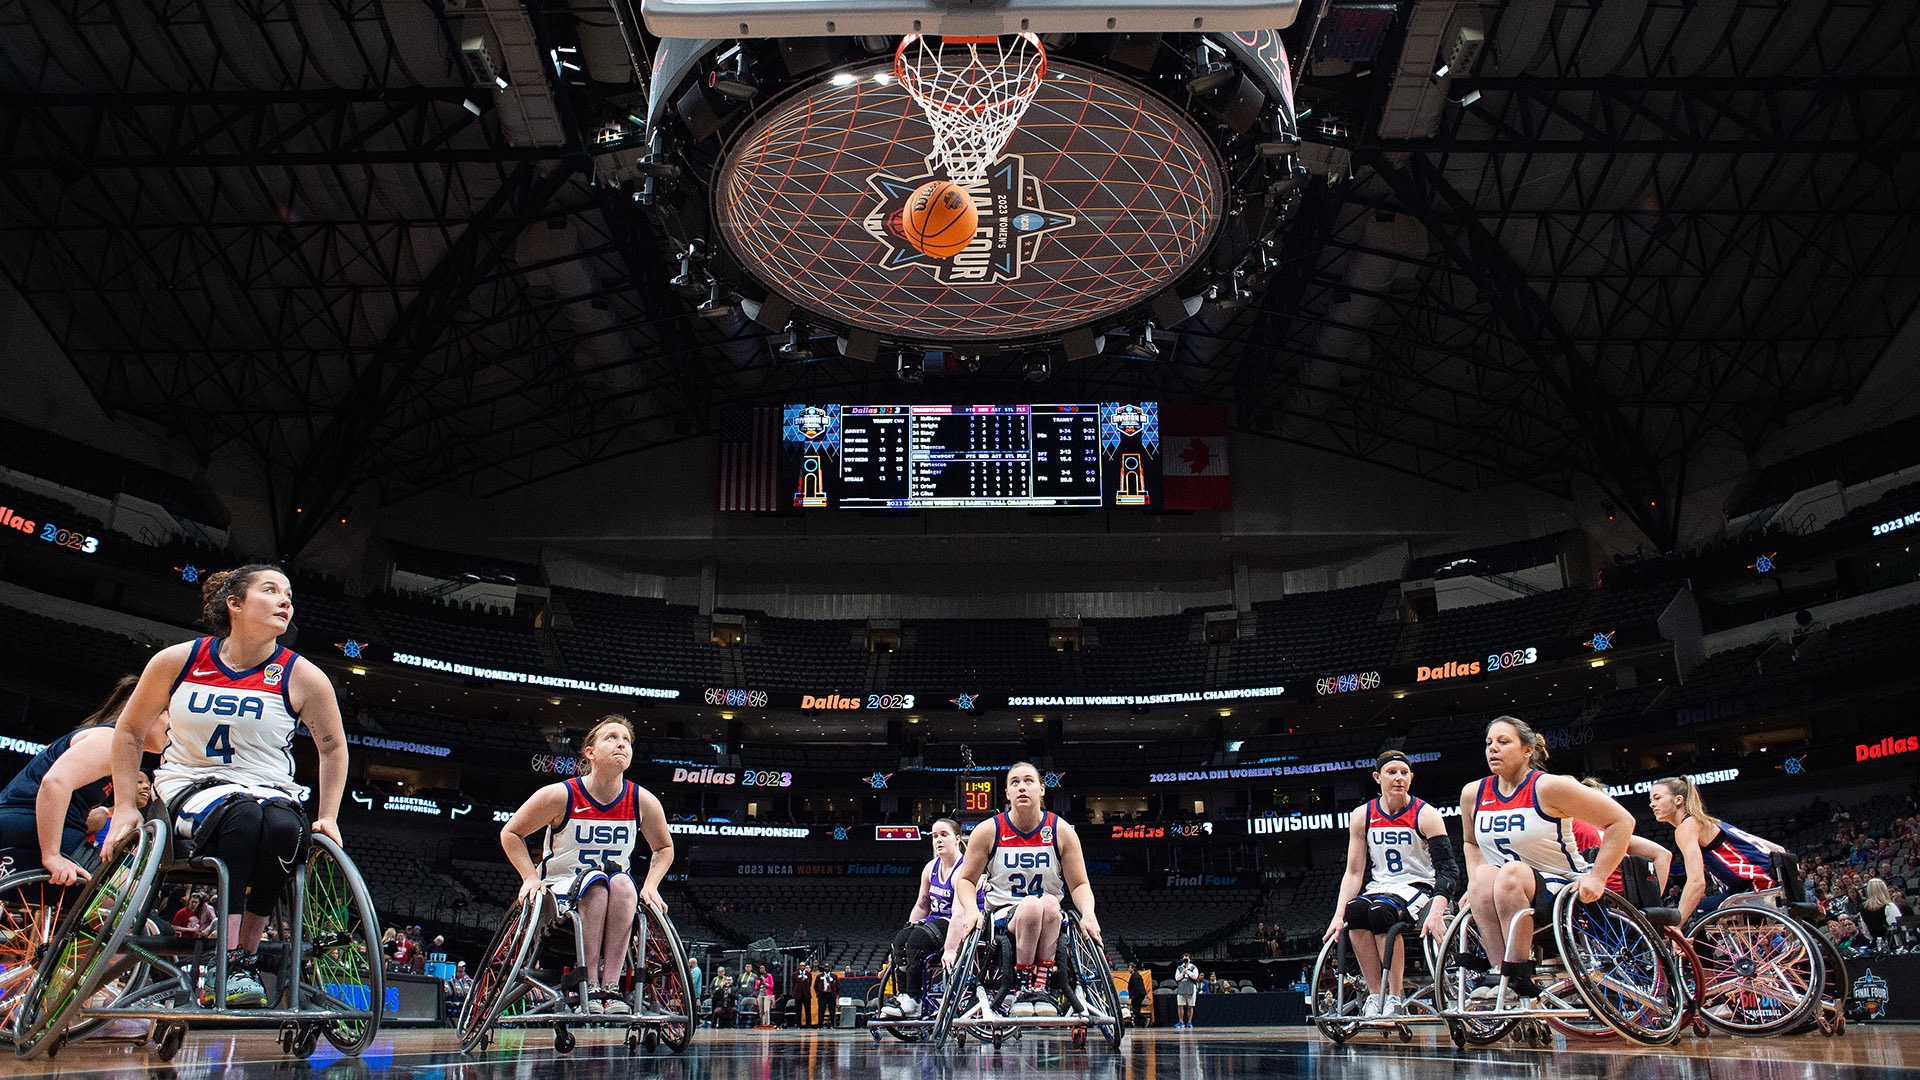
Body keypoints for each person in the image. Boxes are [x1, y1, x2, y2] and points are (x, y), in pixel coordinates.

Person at [106, 564, 350, 1009]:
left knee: (283, 828)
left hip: (269, 787)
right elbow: (129, 733)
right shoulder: (178, 660)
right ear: (234, 604)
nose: (285, 601)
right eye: (271, 590)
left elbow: (333, 748)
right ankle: (227, 955)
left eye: (289, 594)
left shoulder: (302, 675)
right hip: (190, 785)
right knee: (243, 814)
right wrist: (125, 806)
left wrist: (329, 815)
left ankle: (243, 958)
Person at [500, 714, 674, 1016]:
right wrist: (529, 877)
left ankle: (611, 987)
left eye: (627, 740)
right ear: (590, 752)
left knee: (619, 881)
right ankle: (588, 984)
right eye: (611, 737)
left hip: (616, 897)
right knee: (596, 884)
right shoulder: (560, 794)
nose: (621, 743)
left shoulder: (642, 800)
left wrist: (651, 885)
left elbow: (664, 848)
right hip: (560, 895)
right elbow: (511, 833)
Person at [1461, 716, 1635, 1003]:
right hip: (1501, 888)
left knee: (1510, 873)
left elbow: (1622, 821)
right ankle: (1497, 972)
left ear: (1528, 750)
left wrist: (1598, 876)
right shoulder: (1473, 793)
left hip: (1560, 886)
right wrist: (1473, 886)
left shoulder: (1549, 787)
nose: (1493, 749)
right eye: (1489, 743)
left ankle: (1517, 972)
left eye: (1503, 742)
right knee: (1481, 877)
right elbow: (1470, 843)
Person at [943, 762, 1102, 1019]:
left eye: (1028, 781)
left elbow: (1080, 884)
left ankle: (1040, 986)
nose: (1021, 787)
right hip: (1004, 917)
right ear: (1007, 793)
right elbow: (966, 880)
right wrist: (971, 910)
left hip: (1050, 916)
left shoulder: (1061, 830)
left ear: (1041, 789)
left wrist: (1088, 914)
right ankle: (1023, 984)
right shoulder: (988, 831)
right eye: (1014, 783)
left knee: (1048, 904)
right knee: (1031, 905)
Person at [1323, 750, 1459, 1018]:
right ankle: (1376, 995)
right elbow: (1353, 872)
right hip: (1381, 886)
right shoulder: (1363, 815)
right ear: (1377, 777)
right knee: (1355, 912)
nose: (1398, 778)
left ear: (1411, 778)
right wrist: (1338, 915)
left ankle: (1395, 997)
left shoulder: (1426, 814)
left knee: (1381, 912)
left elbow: (1448, 869)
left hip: (1418, 887)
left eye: (1404, 773)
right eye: (1391, 772)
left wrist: (1440, 904)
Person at [0, 675, 169, 885]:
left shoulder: (110, 741)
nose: (175, 728)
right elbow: (54, 782)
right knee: (135, 892)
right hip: (33, 830)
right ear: (148, 715)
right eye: (171, 716)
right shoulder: (110, 740)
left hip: (32, 825)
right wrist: (51, 856)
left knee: (133, 888)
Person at [1647, 775, 1791, 924]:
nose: (1652, 804)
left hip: (1757, 886)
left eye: (1657, 798)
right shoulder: (1709, 822)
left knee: (1694, 910)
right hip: (1768, 883)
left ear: (1678, 800)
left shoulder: (1686, 827)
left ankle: (1686, 947)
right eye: (1651, 800)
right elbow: (1778, 848)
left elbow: (1697, 882)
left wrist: (1678, 924)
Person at [879, 817, 974, 1019]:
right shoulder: (931, 868)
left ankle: (914, 998)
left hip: (961, 922)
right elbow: (922, 905)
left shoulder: (963, 870)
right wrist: (904, 936)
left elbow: (959, 913)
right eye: (934, 836)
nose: (938, 840)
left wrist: (950, 950)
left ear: (957, 839)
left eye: (944, 835)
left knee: (917, 940)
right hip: (937, 921)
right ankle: (904, 996)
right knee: (901, 940)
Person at [1173, 954, 1199, 1028]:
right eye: (1184, 959)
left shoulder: (1193, 967)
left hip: (1191, 987)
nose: (1185, 961)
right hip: (1181, 987)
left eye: (1187, 959)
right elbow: (1177, 978)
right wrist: (1182, 973)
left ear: (1189, 959)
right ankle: (1181, 1022)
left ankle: (1189, 1022)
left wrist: (1188, 972)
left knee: (1190, 1006)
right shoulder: (1179, 968)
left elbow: (1195, 977)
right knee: (1180, 1005)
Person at [1126, 962, 1146, 1027]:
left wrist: (1133, 996)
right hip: (1139, 994)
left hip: (1138, 995)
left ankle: (1144, 1019)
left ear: (1133, 968)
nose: (1128, 969)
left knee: (1135, 1009)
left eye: (1129, 968)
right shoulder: (1135, 975)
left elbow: (1135, 987)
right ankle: (1140, 1023)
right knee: (1137, 1008)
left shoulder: (1135, 976)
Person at [688, 959, 704, 1026]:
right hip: (695, 994)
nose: (688, 964)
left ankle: (697, 1022)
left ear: (693, 963)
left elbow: (693, 983)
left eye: (689, 963)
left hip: (694, 994)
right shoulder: (696, 970)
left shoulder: (695, 971)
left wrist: (688, 991)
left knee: (693, 1008)